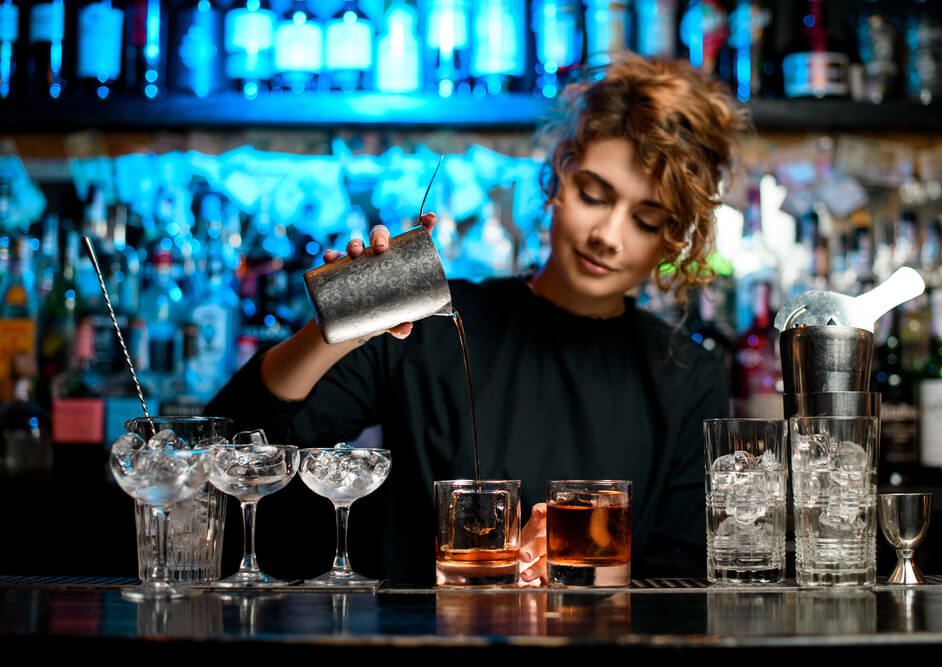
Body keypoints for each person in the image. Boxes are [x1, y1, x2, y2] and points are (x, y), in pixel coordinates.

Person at [207, 53, 749, 585]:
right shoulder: (433, 319)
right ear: (559, 175)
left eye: (646, 220)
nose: (608, 235)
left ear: (675, 238)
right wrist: (341, 320)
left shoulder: (687, 377)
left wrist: (580, 558)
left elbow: (687, 579)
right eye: (593, 195)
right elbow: (238, 447)